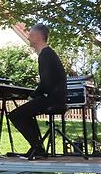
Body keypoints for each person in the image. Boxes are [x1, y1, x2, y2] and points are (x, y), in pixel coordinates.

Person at [9, 24, 67, 159]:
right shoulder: (48, 53)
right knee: (26, 113)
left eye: (31, 35)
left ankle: (37, 147)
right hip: (55, 97)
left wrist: (34, 95)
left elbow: (46, 82)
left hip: (53, 99)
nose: (28, 37)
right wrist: (35, 95)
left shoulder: (45, 55)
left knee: (16, 115)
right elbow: (47, 81)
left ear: (38, 37)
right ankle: (37, 147)